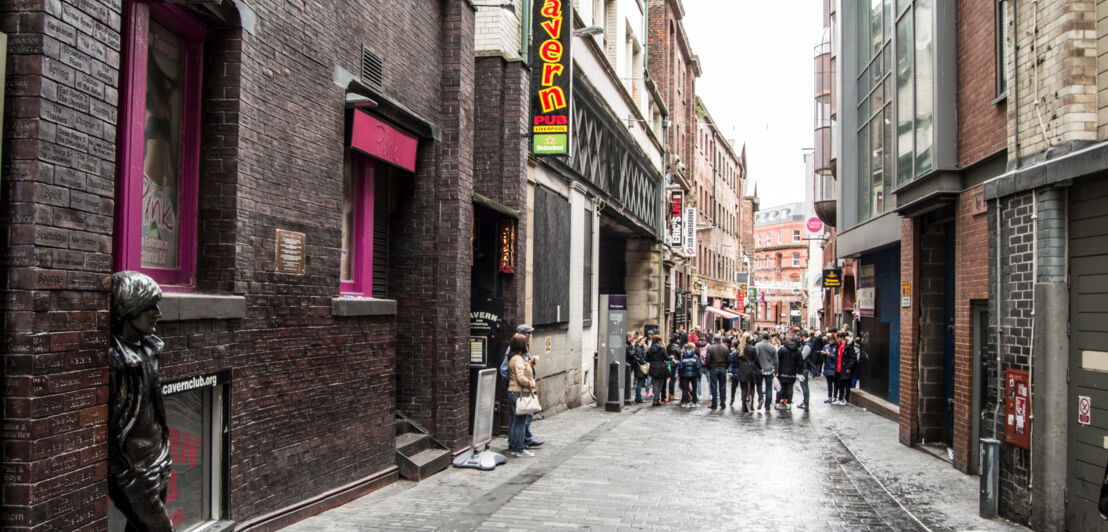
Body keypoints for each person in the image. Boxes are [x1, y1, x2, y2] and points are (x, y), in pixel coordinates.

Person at [108, 271, 174, 532]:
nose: (158, 314)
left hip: (158, 457)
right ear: (129, 310)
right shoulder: (114, 360)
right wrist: (125, 468)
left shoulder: (149, 349)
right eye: (150, 308)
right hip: (133, 468)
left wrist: (163, 448)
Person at [499, 324, 542, 447]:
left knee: (521, 417)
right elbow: (505, 370)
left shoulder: (523, 349)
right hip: (520, 390)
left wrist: (531, 362)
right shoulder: (514, 351)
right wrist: (516, 382)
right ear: (524, 335)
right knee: (521, 418)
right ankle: (518, 444)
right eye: (529, 333)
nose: (530, 336)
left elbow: (523, 367)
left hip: (520, 389)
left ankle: (524, 439)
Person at [506, 333, 536, 457]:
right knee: (520, 421)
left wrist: (529, 364)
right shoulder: (518, 359)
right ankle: (519, 448)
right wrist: (531, 383)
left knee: (515, 420)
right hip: (520, 392)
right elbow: (520, 377)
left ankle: (513, 446)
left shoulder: (513, 357)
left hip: (513, 391)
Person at [730, 332, 758, 412]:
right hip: (751, 367)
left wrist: (740, 364)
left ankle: (744, 406)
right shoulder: (753, 348)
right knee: (752, 386)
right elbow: (756, 360)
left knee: (743, 388)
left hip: (742, 368)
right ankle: (752, 404)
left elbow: (735, 359)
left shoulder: (740, 348)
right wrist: (760, 367)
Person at [753, 333, 778, 413]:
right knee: (769, 388)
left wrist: (756, 367)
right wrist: (776, 371)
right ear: (769, 338)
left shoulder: (757, 345)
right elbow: (776, 360)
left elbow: (755, 357)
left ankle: (761, 398)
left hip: (759, 369)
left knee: (759, 385)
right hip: (769, 370)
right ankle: (767, 406)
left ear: (762, 337)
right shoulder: (772, 347)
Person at [776, 334, 802, 409]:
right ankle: (789, 403)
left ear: (787, 340)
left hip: (782, 372)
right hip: (792, 372)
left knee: (780, 388)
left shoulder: (782, 349)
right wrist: (799, 372)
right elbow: (800, 362)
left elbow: (777, 360)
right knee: (790, 388)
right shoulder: (797, 350)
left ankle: (778, 402)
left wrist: (777, 370)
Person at [706, 335, 730, 409]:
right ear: (720, 340)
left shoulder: (710, 347)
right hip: (722, 368)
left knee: (713, 386)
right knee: (723, 386)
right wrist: (726, 367)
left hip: (713, 368)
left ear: (714, 339)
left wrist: (709, 367)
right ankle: (723, 404)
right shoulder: (725, 348)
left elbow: (708, 359)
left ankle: (714, 403)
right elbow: (728, 359)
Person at [796, 331, 817, 410]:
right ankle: (805, 401)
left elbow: (802, 356)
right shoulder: (806, 344)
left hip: (804, 368)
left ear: (803, 337)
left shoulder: (807, 345)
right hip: (804, 367)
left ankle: (806, 402)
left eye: (800, 337)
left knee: (804, 386)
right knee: (803, 385)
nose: (800, 339)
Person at [647, 335, 670, 405]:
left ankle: (655, 398)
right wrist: (671, 358)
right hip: (661, 367)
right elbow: (666, 358)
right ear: (658, 340)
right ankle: (656, 398)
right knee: (661, 383)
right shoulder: (661, 348)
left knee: (655, 383)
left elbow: (647, 358)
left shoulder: (650, 349)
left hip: (653, 367)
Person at [836, 333, 859, 405]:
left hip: (845, 368)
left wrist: (849, 367)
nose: (837, 339)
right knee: (840, 384)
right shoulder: (839, 346)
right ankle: (840, 399)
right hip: (839, 368)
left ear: (842, 337)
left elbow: (853, 358)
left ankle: (846, 399)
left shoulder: (848, 347)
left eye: (838, 337)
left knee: (847, 384)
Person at [678, 342, 701, 408]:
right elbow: (698, 366)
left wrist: (680, 374)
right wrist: (698, 374)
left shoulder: (683, 357)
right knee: (694, 388)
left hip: (685, 375)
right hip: (694, 374)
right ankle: (694, 402)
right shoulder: (695, 357)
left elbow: (681, 367)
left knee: (685, 389)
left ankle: (686, 402)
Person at [822, 334, 839, 403]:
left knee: (835, 384)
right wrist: (823, 354)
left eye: (832, 340)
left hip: (834, 368)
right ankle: (829, 396)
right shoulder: (826, 346)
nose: (830, 342)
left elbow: (836, 357)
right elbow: (823, 359)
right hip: (827, 367)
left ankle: (835, 396)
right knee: (829, 384)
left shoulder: (836, 347)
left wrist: (830, 355)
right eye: (830, 340)